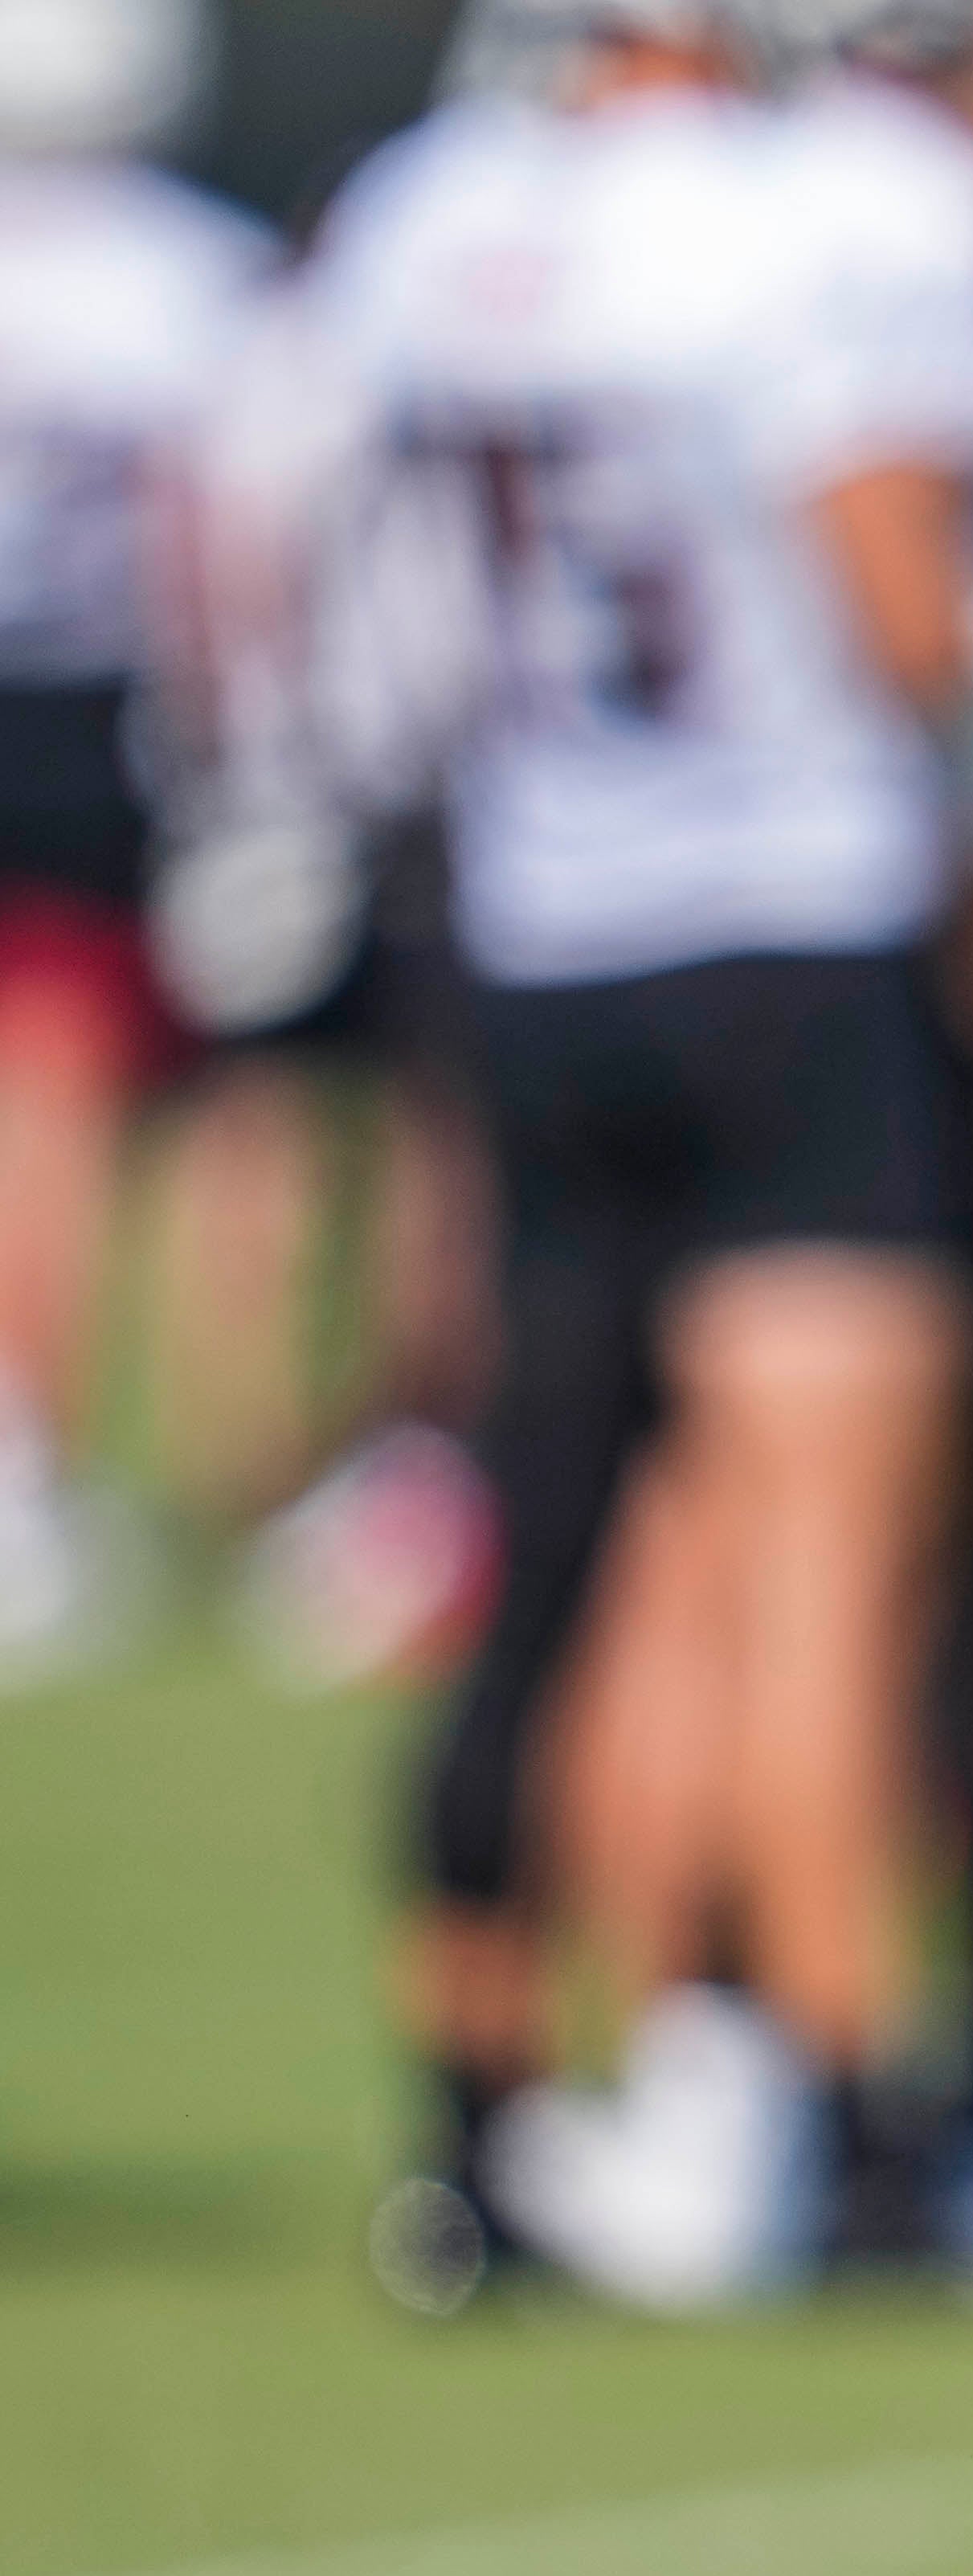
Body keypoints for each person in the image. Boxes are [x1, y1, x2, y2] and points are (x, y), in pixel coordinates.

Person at [324, 0, 973, 2313]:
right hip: (791, 928)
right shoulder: (794, 225)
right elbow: (899, 598)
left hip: (535, 927)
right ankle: (858, 2136)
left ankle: (496, 2123)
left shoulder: (426, 222)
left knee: (574, 1556)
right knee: (824, 1565)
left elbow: (322, 576)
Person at [0, 0, 272, 1675]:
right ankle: (39, 1458)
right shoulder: (193, 275)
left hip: (72, 711)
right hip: (107, 722)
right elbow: (227, 547)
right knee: (73, 1099)